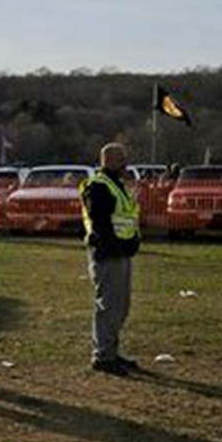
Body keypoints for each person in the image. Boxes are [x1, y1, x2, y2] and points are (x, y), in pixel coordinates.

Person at [80, 143, 141, 376]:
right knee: (109, 306)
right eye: (122, 159)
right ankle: (103, 356)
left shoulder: (116, 184)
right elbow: (100, 223)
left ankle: (111, 351)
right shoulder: (98, 186)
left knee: (120, 306)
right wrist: (114, 246)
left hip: (121, 252)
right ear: (110, 160)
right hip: (108, 254)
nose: (126, 163)